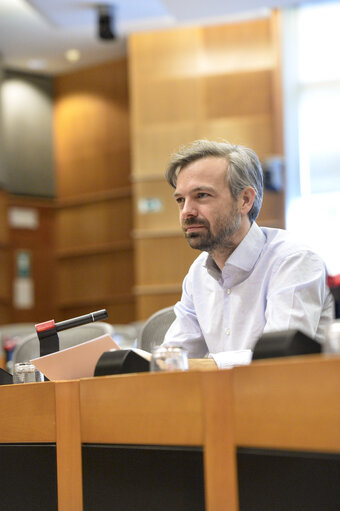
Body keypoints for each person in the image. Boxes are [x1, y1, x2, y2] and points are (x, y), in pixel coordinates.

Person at [161, 140, 334, 369]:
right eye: (180, 200)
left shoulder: (293, 259)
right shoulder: (197, 274)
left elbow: (279, 357)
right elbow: (173, 356)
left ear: (245, 200)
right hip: (226, 400)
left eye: (201, 195)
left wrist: (198, 366)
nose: (186, 212)